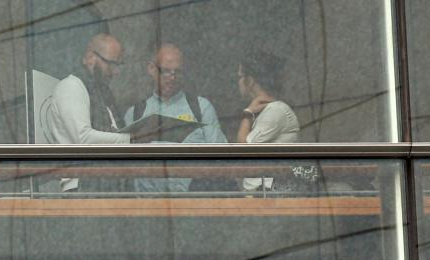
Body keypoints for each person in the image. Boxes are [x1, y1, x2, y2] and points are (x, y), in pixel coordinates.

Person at [122, 43, 226, 192]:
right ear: (151, 69)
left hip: (193, 202)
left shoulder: (201, 108)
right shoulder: (135, 113)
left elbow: (220, 158)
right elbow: (123, 165)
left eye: (177, 72)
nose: (172, 77)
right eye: (166, 71)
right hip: (146, 205)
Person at [235, 51, 318, 191]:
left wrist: (246, 115)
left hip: (270, 198)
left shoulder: (276, 110)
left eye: (240, 76)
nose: (238, 82)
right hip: (260, 197)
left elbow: (243, 150)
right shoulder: (265, 111)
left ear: (250, 80)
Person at [42, 33, 131, 146]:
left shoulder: (103, 93)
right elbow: (83, 138)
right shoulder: (72, 86)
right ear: (90, 59)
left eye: (119, 65)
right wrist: (131, 140)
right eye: (111, 64)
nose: (116, 71)